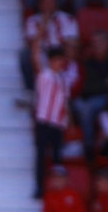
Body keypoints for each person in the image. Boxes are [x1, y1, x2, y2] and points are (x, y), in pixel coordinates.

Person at [32, 45, 75, 197]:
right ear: (50, 61)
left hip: (58, 122)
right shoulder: (45, 75)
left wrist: (68, 120)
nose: (59, 63)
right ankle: (39, 186)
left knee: (57, 157)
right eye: (56, 60)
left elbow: (65, 100)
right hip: (44, 119)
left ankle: (56, 188)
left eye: (60, 60)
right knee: (41, 154)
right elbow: (36, 60)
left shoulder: (64, 78)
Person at [20, 0, 77, 90]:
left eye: (51, 3)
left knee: (67, 53)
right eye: (46, 3)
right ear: (40, 5)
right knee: (25, 55)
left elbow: (72, 42)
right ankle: (32, 90)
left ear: (56, 4)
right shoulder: (32, 21)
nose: (49, 7)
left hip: (61, 52)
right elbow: (32, 44)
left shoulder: (68, 19)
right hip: (41, 52)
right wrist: (44, 24)